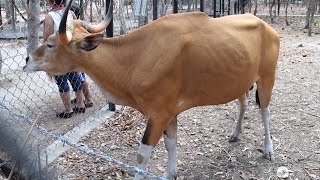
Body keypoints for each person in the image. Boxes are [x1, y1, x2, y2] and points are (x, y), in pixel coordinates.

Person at [43, 0, 85, 118]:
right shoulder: (70, 13)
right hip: (71, 52)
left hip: (58, 54)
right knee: (75, 77)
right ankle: (80, 105)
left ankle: (68, 110)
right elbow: (77, 31)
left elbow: (47, 39)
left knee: (61, 81)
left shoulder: (50, 16)